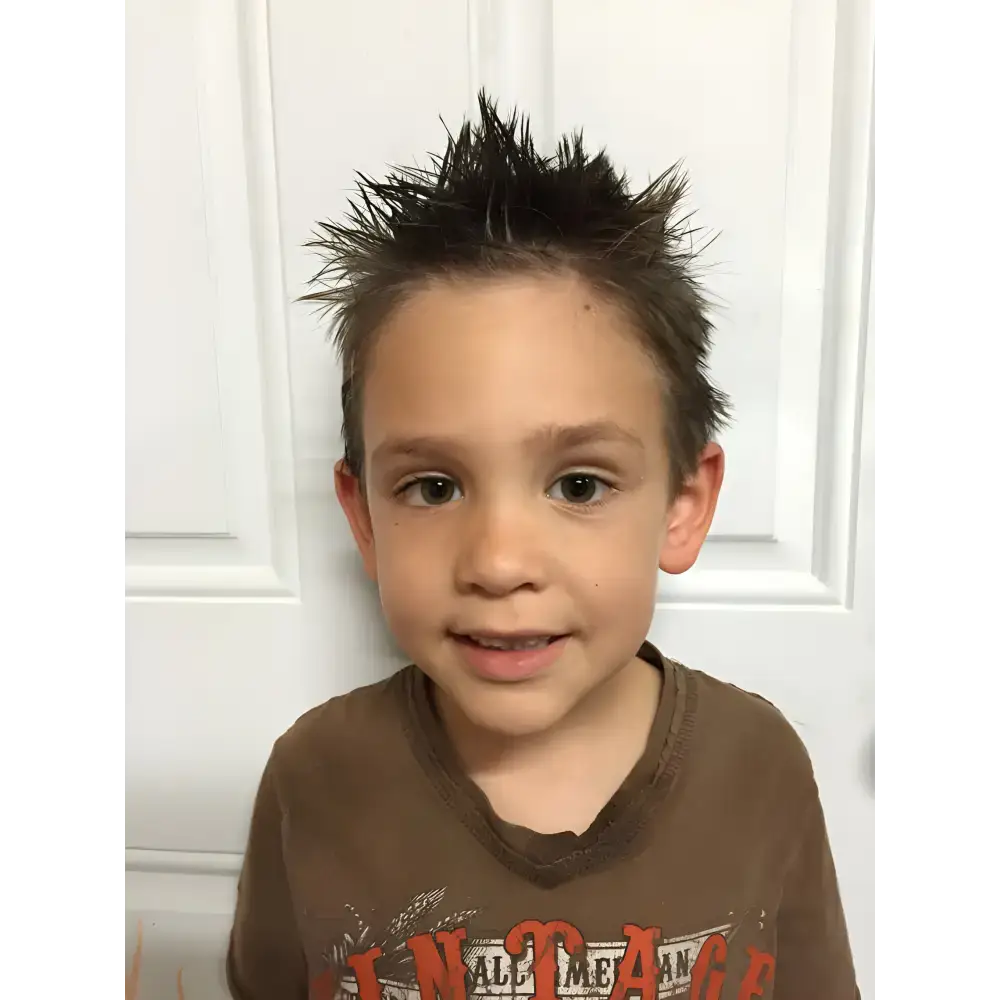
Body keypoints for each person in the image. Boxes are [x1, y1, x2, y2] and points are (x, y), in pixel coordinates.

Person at [226, 93, 859, 1000]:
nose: (497, 562)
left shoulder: (757, 765)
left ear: (684, 506)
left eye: (578, 485)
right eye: (433, 487)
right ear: (364, 517)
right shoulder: (315, 778)